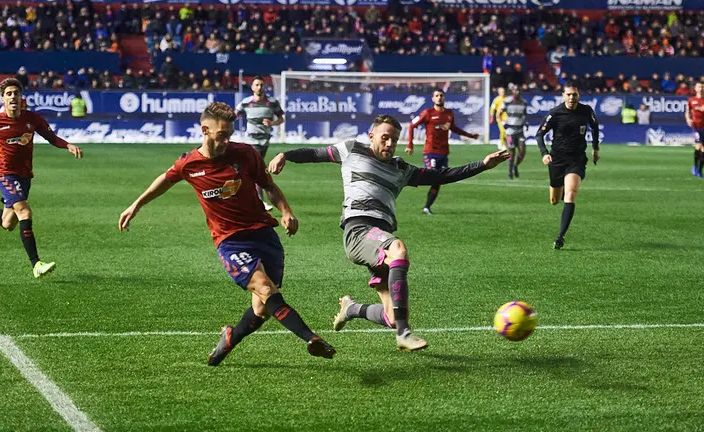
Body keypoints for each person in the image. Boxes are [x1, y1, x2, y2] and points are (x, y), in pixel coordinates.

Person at [117, 102, 335, 366]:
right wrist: (136, 204)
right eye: (221, 135)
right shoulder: (190, 164)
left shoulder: (245, 154)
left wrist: (286, 211)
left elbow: (269, 186)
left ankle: (231, 337)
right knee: (266, 289)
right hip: (230, 241)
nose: (226, 141)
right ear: (204, 131)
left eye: (230, 134)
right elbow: (165, 179)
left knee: (261, 309)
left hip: (263, 234)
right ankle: (311, 338)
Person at [268, 115, 509, 352]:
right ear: (371, 135)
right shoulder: (351, 149)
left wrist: (483, 165)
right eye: (385, 138)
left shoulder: (401, 168)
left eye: (394, 140)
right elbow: (314, 154)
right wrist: (285, 155)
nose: (390, 144)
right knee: (398, 250)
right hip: (358, 231)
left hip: (378, 237)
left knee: (392, 315)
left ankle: (352, 309)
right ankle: (404, 334)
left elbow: (441, 175)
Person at [0, 78, 83, 278]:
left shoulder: (33, 119)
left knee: (7, 223)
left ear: (21, 97)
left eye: (15, 93)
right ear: (2, 98)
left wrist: (68, 145)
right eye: (8, 94)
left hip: (25, 176)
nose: (12, 97)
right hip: (4, 174)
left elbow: (51, 138)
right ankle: (36, 264)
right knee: (25, 212)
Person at [535, 82, 600, 250]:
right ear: (563, 96)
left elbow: (594, 126)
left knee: (570, 195)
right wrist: (544, 153)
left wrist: (595, 148)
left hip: (576, 160)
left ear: (579, 95)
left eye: (575, 94)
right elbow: (539, 134)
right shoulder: (555, 113)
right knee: (554, 201)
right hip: (557, 160)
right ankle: (562, 186)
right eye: (569, 94)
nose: (572, 98)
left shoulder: (586, 111)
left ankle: (560, 237)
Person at [405, 88, 479, 214]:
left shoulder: (449, 114)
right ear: (433, 98)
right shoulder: (427, 113)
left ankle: (426, 207)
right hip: (430, 152)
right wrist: (410, 144)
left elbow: (454, 128)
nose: (439, 97)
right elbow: (412, 125)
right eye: (437, 95)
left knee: (439, 180)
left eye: (441, 95)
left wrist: (470, 136)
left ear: (444, 98)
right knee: (433, 176)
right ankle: (409, 179)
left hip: (443, 153)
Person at [234, 75, 285, 211]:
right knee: (258, 169)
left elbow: (281, 119)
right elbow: (233, 115)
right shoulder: (246, 103)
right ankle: (260, 202)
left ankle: (241, 196)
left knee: (253, 170)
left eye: (261, 85)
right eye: (256, 85)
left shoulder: (272, 102)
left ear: (264, 87)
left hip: (265, 140)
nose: (259, 87)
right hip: (251, 141)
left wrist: (272, 123)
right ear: (252, 87)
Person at [685, 82, 704, 178]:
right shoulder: (691, 100)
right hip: (696, 127)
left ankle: (699, 170)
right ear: (695, 88)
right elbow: (687, 112)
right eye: (699, 86)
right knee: (700, 145)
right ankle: (695, 167)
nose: (701, 88)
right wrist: (688, 119)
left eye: (702, 86)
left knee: (702, 149)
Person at [497, 84, 527, 179]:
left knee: (522, 152)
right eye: (515, 90)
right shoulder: (507, 101)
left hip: (520, 130)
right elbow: (498, 114)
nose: (517, 92)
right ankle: (510, 171)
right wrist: (503, 123)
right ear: (512, 91)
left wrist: (526, 122)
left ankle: (516, 166)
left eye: (519, 90)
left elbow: (524, 115)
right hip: (510, 131)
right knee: (512, 152)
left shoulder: (524, 102)